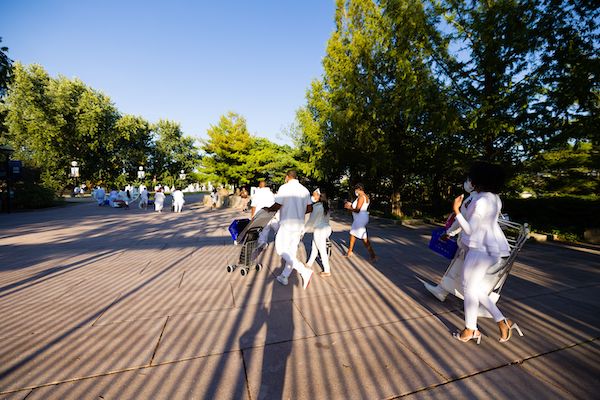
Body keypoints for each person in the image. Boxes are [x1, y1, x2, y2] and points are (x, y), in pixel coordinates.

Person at [451, 162, 521, 344]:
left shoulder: (480, 200)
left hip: (479, 248)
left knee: (468, 288)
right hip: (492, 248)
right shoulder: (495, 198)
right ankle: (501, 321)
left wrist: (457, 211)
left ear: (478, 180)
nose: (469, 181)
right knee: (476, 289)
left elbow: (470, 229)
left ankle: (470, 329)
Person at [263, 170, 314, 289]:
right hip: (299, 225)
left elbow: (277, 205)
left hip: (287, 224)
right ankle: (284, 276)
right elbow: (310, 208)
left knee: (280, 250)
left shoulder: (284, 188)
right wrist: (299, 211)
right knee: (291, 252)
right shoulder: (305, 190)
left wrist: (268, 209)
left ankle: (304, 271)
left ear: (287, 177)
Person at [344, 183, 377, 262]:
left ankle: (373, 255)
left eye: (356, 190)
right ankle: (350, 251)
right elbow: (359, 207)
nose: (356, 192)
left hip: (360, 218)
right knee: (352, 233)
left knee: (363, 237)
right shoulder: (365, 196)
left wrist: (349, 208)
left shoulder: (361, 197)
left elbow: (358, 210)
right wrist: (351, 205)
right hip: (361, 217)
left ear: (359, 189)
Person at [304, 189, 332, 277]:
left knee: (322, 249)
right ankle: (309, 263)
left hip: (320, 230)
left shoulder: (317, 206)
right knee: (315, 247)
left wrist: (303, 231)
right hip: (326, 228)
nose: (313, 197)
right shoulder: (325, 205)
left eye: (315, 195)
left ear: (319, 196)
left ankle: (327, 270)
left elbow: (311, 221)